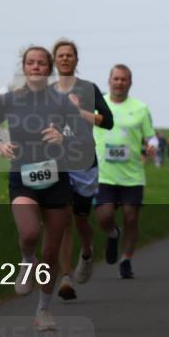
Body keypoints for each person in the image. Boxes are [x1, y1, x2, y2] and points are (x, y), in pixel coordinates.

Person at [0, 46, 88, 331]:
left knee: (51, 251)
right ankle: (27, 260)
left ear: (49, 68)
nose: (36, 67)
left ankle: (43, 310)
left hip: (56, 180)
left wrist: (63, 137)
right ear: (24, 67)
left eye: (41, 63)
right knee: (29, 233)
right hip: (22, 177)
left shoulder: (61, 101)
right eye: (31, 62)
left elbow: (81, 136)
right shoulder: (9, 99)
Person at [49, 39, 114, 302]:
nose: (65, 59)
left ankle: (87, 251)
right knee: (63, 219)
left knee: (80, 220)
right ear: (55, 60)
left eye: (69, 55)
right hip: (57, 162)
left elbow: (108, 121)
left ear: (76, 60)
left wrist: (80, 112)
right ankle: (65, 277)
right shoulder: (46, 92)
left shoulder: (89, 89)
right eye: (61, 55)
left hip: (84, 162)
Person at [95, 64, 157, 279]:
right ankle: (113, 234)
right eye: (116, 78)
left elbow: (151, 136)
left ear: (130, 83)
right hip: (104, 175)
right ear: (109, 80)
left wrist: (152, 146)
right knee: (104, 217)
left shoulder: (140, 108)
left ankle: (126, 260)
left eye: (124, 79)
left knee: (131, 218)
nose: (119, 83)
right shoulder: (97, 106)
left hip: (132, 175)